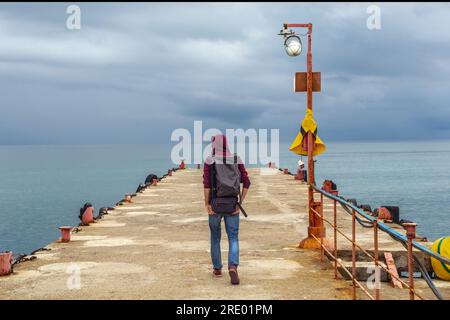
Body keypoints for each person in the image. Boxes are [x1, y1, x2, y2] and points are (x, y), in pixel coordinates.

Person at [203, 134, 250, 285]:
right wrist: (239, 203)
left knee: (215, 237)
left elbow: (207, 185)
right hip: (232, 205)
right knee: (233, 238)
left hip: (215, 204)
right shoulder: (236, 159)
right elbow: (247, 182)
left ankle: (217, 269)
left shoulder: (210, 160)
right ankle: (232, 266)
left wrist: (207, 204)